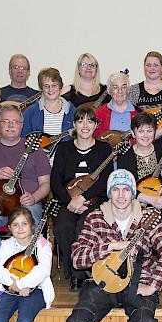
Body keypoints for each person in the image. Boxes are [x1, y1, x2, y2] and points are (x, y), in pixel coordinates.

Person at [67, 169, 162, 322]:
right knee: (77, 320)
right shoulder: (95, 218)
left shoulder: (146, 218)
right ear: (109, 192)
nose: (121, 195)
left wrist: (154, 285)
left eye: (126, 190)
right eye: (115, 190)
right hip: (102, 282)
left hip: (138, 282)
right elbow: (77, 258)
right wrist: (110, 246)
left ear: (133, 193)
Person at [0, 105, 51, 263]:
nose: (11, 125)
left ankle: (26, 264)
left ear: (22, 125)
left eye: (15, 121)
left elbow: (46, 184)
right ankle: (3, 264)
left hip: (26, 204)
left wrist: (34, 198)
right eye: (6, 121)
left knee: (28, 222)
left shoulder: (35, 150)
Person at [50, 107, 113, 291]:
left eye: (90, 121)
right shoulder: (63, 149)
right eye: (80, 121)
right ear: (74, 125)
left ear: (96, 125)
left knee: (86, 225)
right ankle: (76, 273)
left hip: (96, 201)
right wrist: (71, 201)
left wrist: (83, 197)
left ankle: (88, 271)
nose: (85, 125)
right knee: (63, 227)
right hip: (67, 202)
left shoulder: (104, 149)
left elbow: (105, 180)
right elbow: (55, 181)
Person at [0, 206, 54, 322]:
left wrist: (21, 284)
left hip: (36, 290)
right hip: (10, 289)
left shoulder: (43, 244)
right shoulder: (7, 245)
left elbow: (43, 269)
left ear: (32, 225)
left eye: (24, 224)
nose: (20, 228)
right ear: (10, 228)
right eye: (15, 224)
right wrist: (13, 285)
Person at [117, 112, 162, 231]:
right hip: (134, 204)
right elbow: (125, 187)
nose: (145, 135)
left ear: (154, 133)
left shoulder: (161, 152)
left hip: (160, 202)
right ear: (133, 133)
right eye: (140, 131)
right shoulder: (125, 157)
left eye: (149, 131)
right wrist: (150, 200)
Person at [21, 67, 75, 154]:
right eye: (46, 86)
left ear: (60, 87)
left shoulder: (72, 111)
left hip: (65, 163)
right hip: (37, 164)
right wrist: (36, 151)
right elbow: (22, 139)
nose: (50, 89)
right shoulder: (31, 111)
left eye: (54, 85)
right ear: (41, 88)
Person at [94, 72, 140, 139]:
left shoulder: (139, 113)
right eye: (115, 87)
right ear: (109, 90)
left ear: (128, 90)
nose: (120, 91)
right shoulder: (99, 113)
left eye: (123, 87)